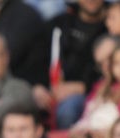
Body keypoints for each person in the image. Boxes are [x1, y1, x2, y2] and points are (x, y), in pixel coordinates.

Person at [33, 0, 107, 130]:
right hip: (50, 88)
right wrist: (38, 85)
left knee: (68, 109)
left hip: (92, 92)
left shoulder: (111, 27)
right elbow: (35, 60)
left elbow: (113, 69)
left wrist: (83, 86)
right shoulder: (57, 24)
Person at [69, 40, 120, 138]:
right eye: (117, 63)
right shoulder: (101, 87)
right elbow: (86, 115)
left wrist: (110, 136)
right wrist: (77, 132)